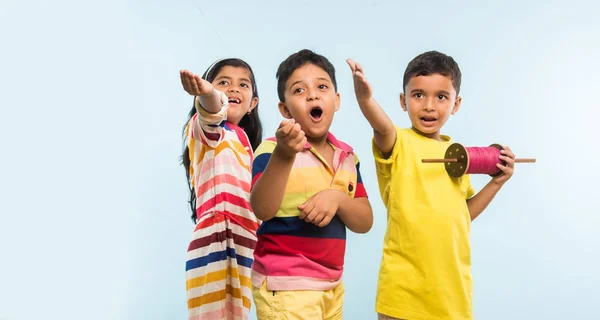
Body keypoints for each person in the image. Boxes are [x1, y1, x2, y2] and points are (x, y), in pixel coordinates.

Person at [346, 51, 516, 320]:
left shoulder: (460, 155)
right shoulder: (398, 142)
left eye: (441, 97)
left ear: (455, 104)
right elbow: (381, 127)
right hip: (403, 294)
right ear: (403, 101)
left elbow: (464, 213)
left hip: (451, 295)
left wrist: (496, 183)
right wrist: (365, 100)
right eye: (418, 95)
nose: (429, 106)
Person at [249, 49, 374, 319]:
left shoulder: (348, 157)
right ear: (284, 109)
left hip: (332, 286)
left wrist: (338, 199)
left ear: (337, 100)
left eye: (321, 87)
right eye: (299, 90)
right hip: (286, 286)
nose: (313, 95)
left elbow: (364, 221)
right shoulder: (271, 150)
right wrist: (284, 155)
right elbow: (262, 208)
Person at [180, 58, 263, 320]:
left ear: (253, 104)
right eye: (223, 83)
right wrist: (207, 94)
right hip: (216, 236)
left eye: (243, 84)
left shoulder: (250, 146)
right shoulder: (206, 130)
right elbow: (212, 112)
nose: (233, 89)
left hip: (247, 241)